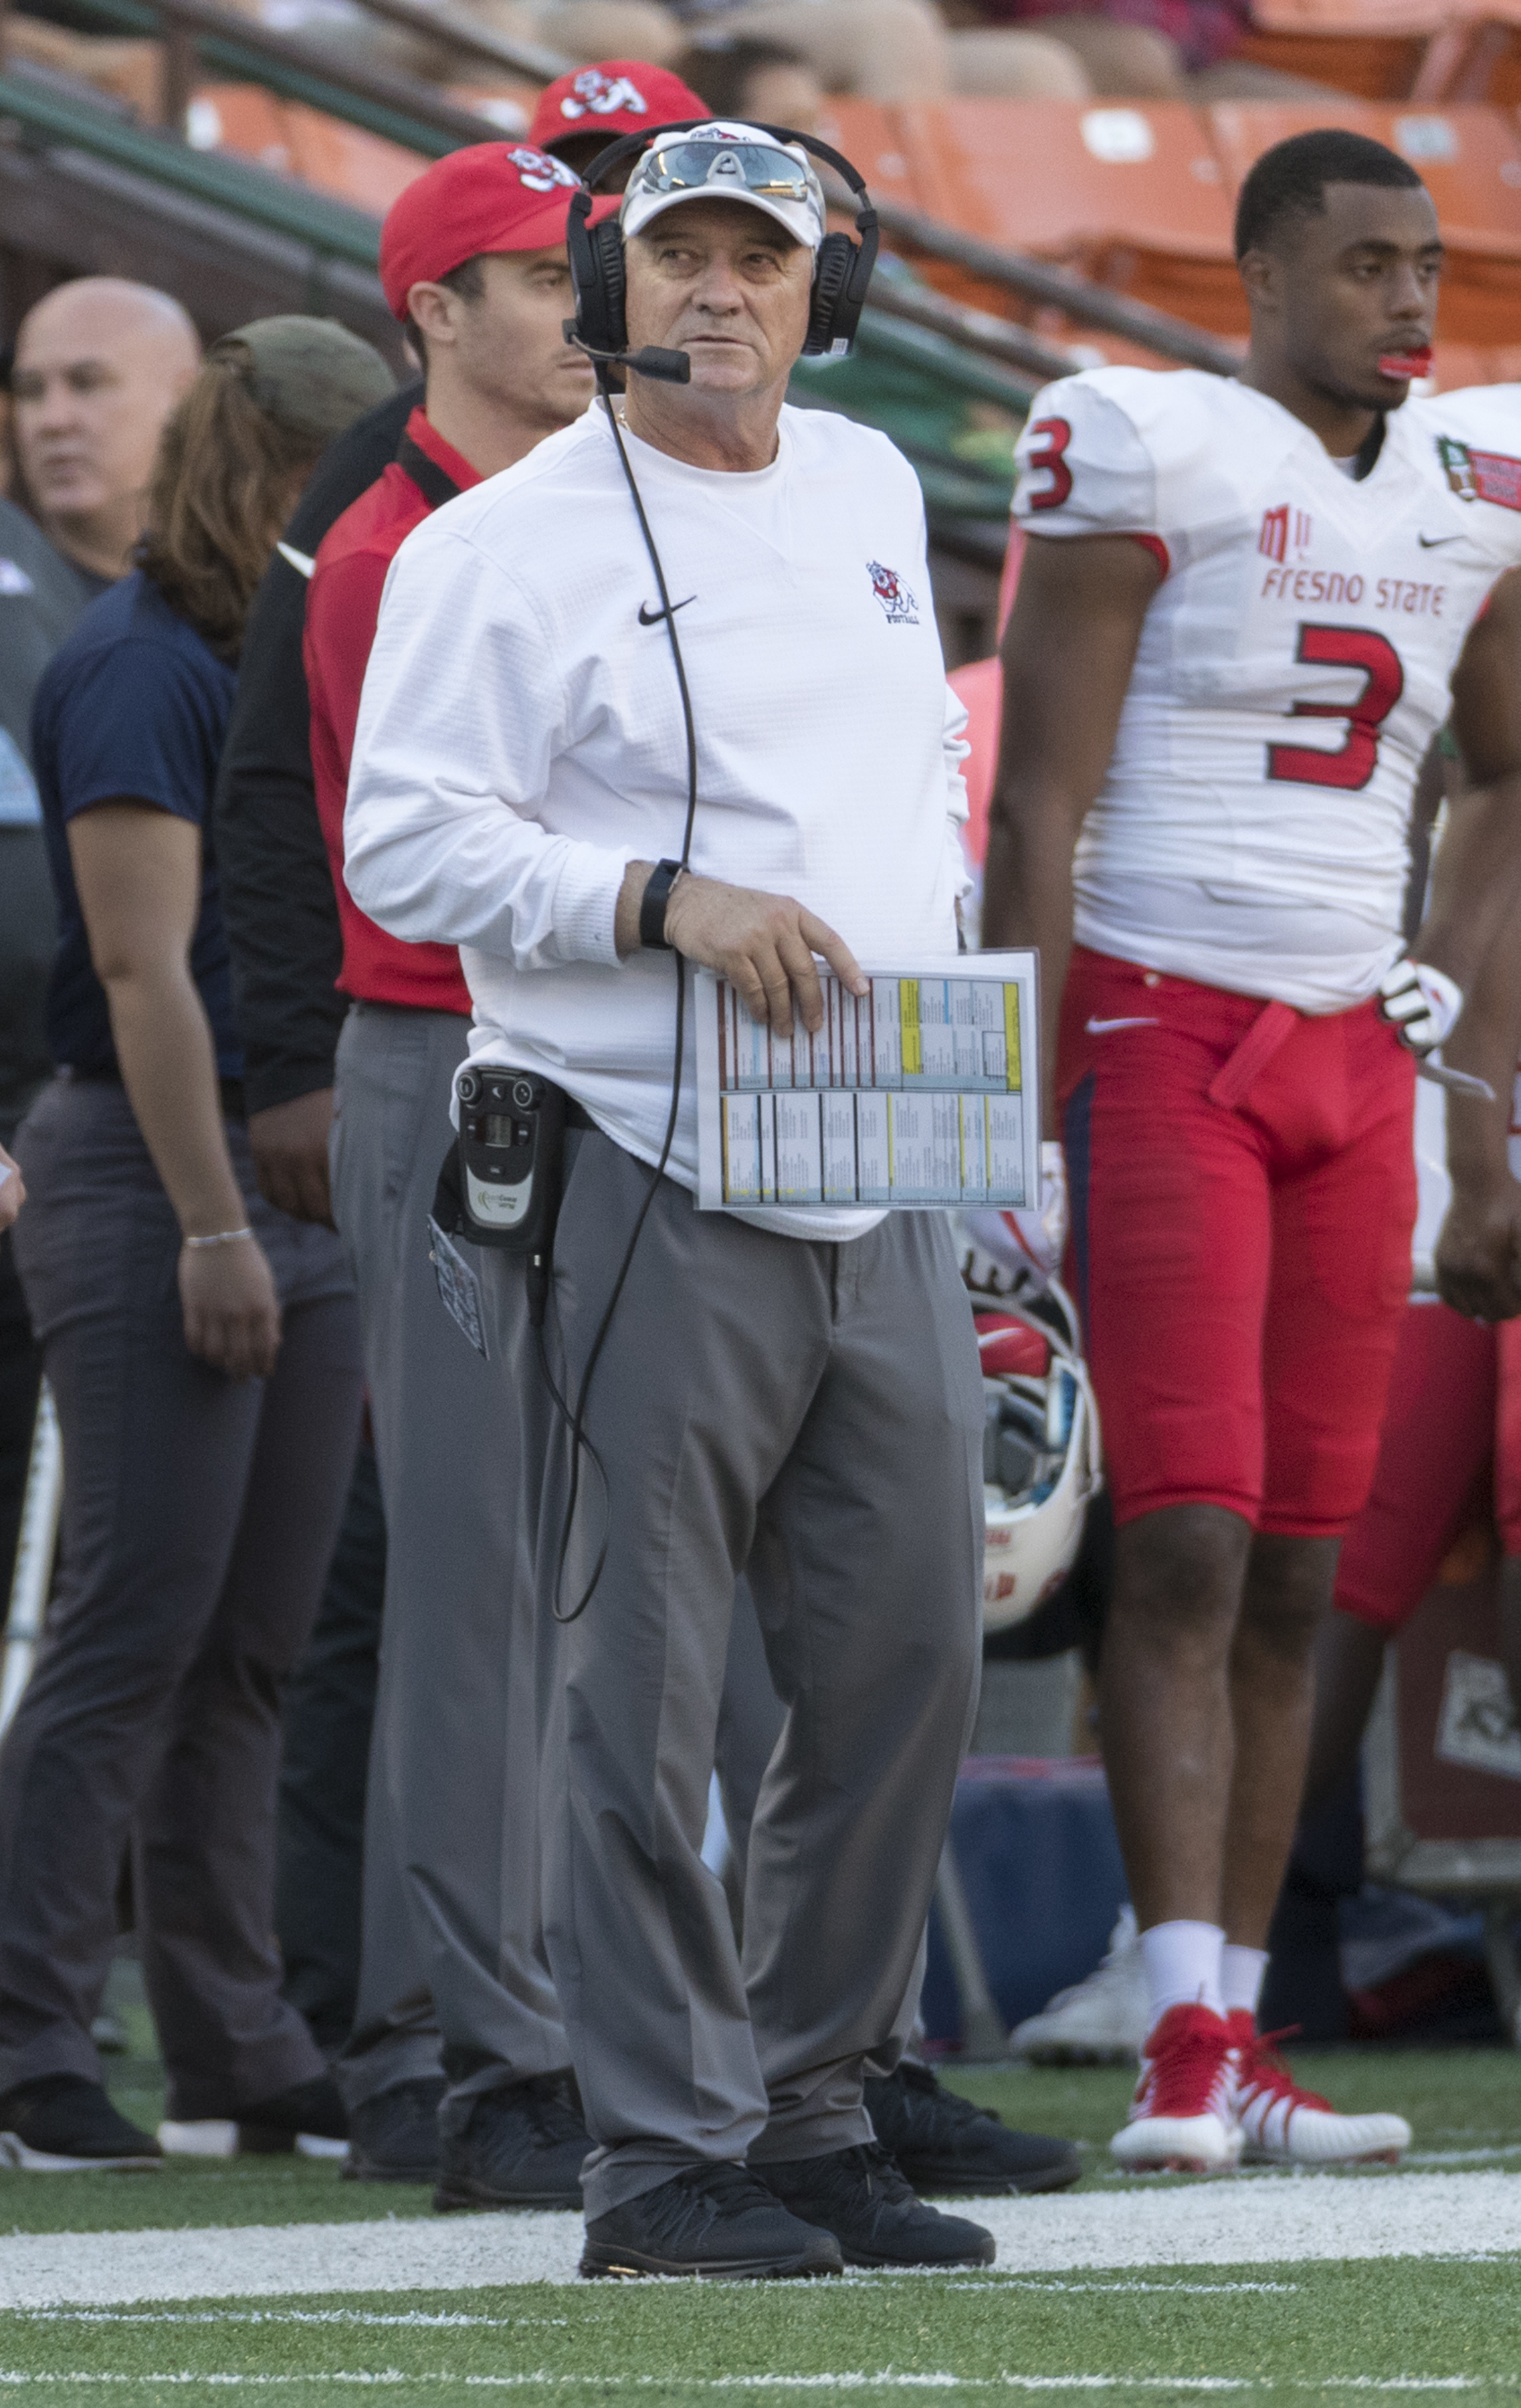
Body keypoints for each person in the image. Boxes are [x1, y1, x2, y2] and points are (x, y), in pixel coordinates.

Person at [345, 116, 995, 2280]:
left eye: (763, 258)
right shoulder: (498, 544)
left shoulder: (872, 485)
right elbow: (402, 848)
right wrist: (655, 901)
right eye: (682, 255)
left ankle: (810, 2106)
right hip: (637, 1143)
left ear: (828, 294)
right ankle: (656, 2157)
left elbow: (917, 764)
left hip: (882, 1141)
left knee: (908, 1646)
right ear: (616, 284)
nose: (722, 291)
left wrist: (942, 972)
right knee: (640, 1679)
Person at [983, 128, 1521, 2175]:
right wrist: (1002, 1111)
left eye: (1428, 263)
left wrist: (1461, 1052)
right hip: (1161, 1018)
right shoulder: (1147, 446)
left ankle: (1237, 2028)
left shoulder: (1470, 481)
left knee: (1300, 1562)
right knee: (1188, 1539)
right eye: (1366, 262)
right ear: (1259, 277)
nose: (1409, 300)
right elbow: (1034, 808)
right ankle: (1177, 2029)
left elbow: (1509, 773)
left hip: (1349, 1049)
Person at [0, 318, 391, 2172]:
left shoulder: (260, 645)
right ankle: (28, 2034)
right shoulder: (140, 664)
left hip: (284, 1154)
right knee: (133, 1621)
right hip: (160, 1161)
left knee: (251, 1640)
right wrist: (213, 1221)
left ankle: (233, 2033)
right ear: (281, 471)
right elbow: (141, 974)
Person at [0, 283, 201, 1610]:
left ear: (187, 406)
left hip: (167, 1158)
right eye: (31, 390)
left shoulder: (232, 604)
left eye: (90, 384)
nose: (53, 419)